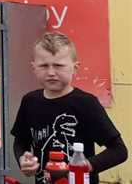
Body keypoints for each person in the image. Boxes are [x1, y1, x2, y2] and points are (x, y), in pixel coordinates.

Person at [11, 32, 127, 183]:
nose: (51, 72)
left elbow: (119, 151)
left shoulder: (86, 103)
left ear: (75, 67)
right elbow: (21, 141)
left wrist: (85, 166)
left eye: (58, 65)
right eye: (44, 66)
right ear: (34, 68)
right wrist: (24, 159)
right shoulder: (29, 101)